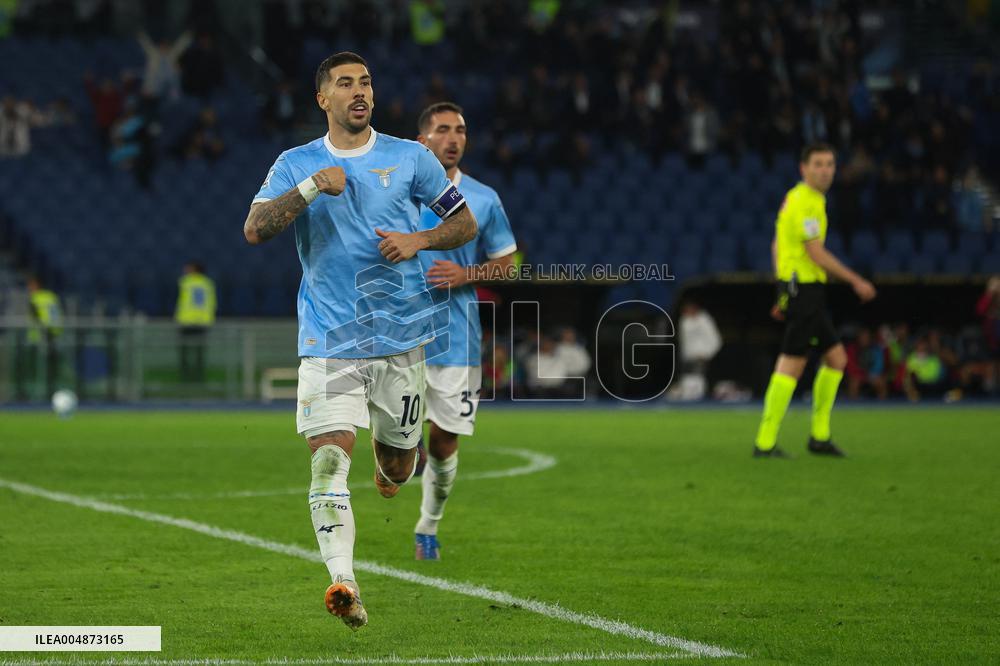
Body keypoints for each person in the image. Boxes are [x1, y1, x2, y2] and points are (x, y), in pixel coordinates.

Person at [243, 52, 477, 630]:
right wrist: (310, 189)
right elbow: (255, 228)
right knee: (327, 461)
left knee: (399, 467)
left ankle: (389, 468)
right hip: (329, 340)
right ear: (322, 98)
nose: (359, 91)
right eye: (345, 83)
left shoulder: (411, 157)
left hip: (401, 341)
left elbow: (464, 223)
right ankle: (343, 582)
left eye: (366, 82)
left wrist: (420, 239)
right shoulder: (297, 162)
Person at [411, 101, 517, 560]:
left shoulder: (484, 198)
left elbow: (507, 265)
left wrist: (466, 275)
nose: (453, 138)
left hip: (457, 338)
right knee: (395, 443)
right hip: (400, 336)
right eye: (442, 129)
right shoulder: (399, 192)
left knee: (444, 440)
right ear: (422, 141)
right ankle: (402, 450)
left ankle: (428, 526)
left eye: (460, 130)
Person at [753, 142, 876, 458]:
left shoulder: (797, 198)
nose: (825, 170)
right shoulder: (806, 202)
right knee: (792, 363)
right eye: (818, 164)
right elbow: (815, 253)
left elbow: (777, 245)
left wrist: (782, 291)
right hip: (805, 290)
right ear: (803, 168)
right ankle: (765, 442)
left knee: (836, 359)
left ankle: (819, 437)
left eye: (830, 164)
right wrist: (856, 280)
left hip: (799, 289)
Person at [15, 276, 64, 399]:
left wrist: (43, 329)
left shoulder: (35, 298)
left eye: (31, 286)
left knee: (33, 367)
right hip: (52, 334)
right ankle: (49, 392)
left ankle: (29, 393)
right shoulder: (51, 296)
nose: (29, 288)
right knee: (49, 368)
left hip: (40, 336)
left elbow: (37, 316)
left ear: (37, 285)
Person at [174, 262, 217, 383]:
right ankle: (199, 377)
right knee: (200, 352)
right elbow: (212, 303)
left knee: (184, 351)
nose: (186, 270)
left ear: (195, 270)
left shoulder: (185, 282)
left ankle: (185, 377)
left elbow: (181, 301)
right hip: (203, 321)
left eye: (189, 268)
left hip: (186, 321)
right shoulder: (208, 283)